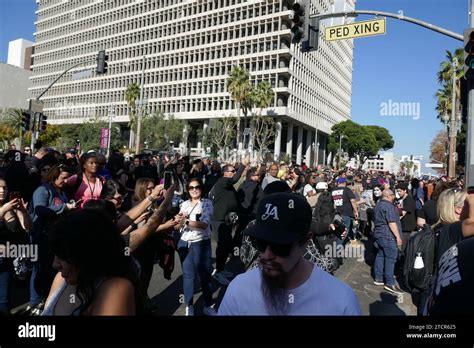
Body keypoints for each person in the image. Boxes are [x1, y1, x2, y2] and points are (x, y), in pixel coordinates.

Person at [218, 192, 361, 315]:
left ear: (305, 241)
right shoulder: (239, 289)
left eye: (279, 246)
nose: (266, 255)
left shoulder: (341, 301)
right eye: (260, 243)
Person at [42, 210, 143, 315]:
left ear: (88, 254)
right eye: (56, 254)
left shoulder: (116, 289)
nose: (55, 264)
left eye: (63, 256)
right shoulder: (61, 279)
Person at [29, 165, 78, 314]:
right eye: (63, 178)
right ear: (54, 176)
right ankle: (35, 301)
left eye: (67, 178)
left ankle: (48, 297)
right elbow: (40, 209)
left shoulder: (62, 191)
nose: (65, 181)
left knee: (52, 268)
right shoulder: (42, 190)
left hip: (56, 235)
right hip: (41, 236)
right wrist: (64, 207)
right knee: (39, 268)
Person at [173, 178, 216, 316]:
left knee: (204, 276)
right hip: (184, 243)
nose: (194, 190)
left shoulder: (207, 203)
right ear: (187, 189)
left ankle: (208, 305)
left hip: (201, 243)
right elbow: (177, 227)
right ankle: (189, 306)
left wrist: (185, 220)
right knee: (188, 276)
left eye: (197, 187)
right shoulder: (184, 204)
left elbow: (204, 225)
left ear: (201, 188)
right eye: (191, 188)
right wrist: (178, 220)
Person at [210, 158, 249, 285]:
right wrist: (242, 165)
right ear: (225, 173)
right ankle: (218, 272)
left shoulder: (229, 185)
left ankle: (221, 269)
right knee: (222, 246)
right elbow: (234, 179)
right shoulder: (223, 181)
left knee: (226, 246)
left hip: (227, 219)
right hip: (219, 220)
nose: (234, 172)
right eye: (232, 171)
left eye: (234, 171)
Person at [0, 175, 31, 314]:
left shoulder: (11, 207)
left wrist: (24, 212)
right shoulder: (6, 208)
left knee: (4, 301)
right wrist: (2, 210)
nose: (2, 190)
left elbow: (28, 227)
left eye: (5, 187)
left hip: (6, 259)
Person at [372, 189, 404, 295]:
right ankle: (390, 283)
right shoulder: (388, 206)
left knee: (381, 255)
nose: (394, 197)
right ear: (389, 196)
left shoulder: (377, 205)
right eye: (393, 195)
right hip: (388, 235)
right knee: (391, 259)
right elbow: (392, 222)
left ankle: (378, 278)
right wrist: (398, 237)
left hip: (378, 234)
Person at [331, 177, 358, 243]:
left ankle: (334, 244)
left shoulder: (332, 190)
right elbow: (353, 201)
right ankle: (337, 247)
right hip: (346, 213)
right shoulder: (347, 190)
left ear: (337, 183)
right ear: (344, 183)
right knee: (344, 231)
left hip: (336, 214)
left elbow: (332, 203)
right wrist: (356, 211)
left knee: (337, 230)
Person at [395, 182, 416, 251]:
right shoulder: (400, 199)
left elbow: (402, 214)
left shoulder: (408, 200)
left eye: (400, 191)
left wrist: (393, 221)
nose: (398, 193)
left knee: (403, 246)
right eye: (397, 191)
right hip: (402, 225)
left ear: (405, 190)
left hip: (407, 227)